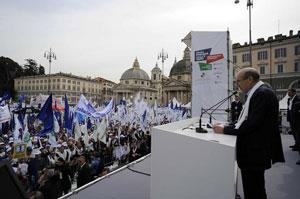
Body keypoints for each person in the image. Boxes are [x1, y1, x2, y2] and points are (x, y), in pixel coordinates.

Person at [212, 67, 285, 199]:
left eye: (238, 81)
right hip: (254, 152)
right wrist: (228, 125)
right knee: (254, 188)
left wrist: (224, 130)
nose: (237, 84)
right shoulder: (258, 92)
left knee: (254, 190)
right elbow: (245, 120)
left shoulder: (261, 94)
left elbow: (251, 124)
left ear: (250, 79)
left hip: (254, 153)